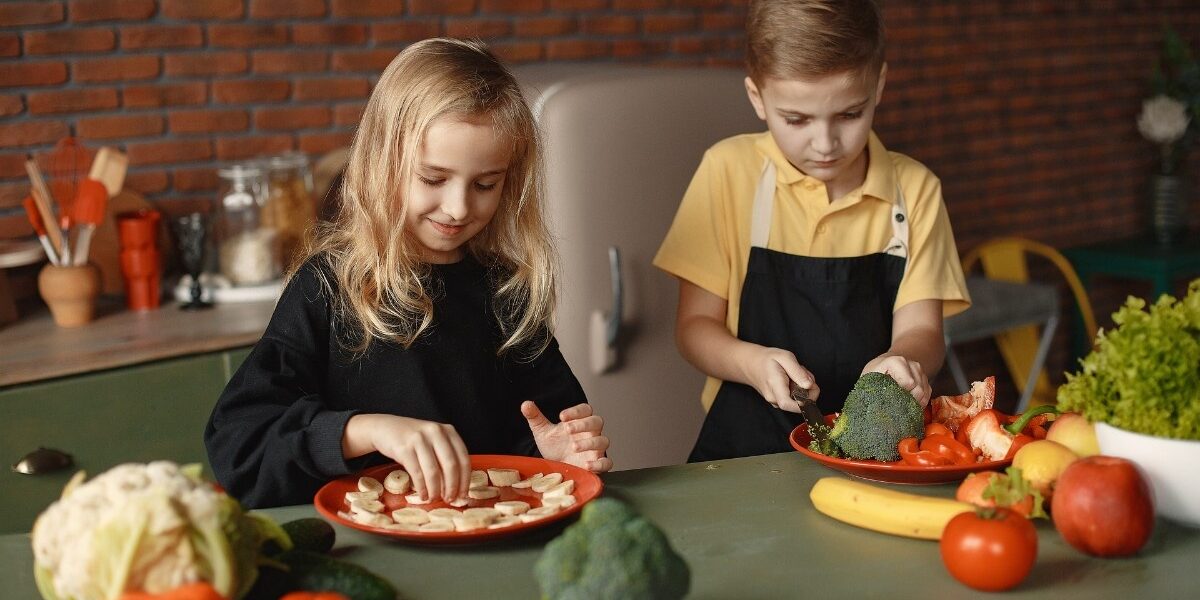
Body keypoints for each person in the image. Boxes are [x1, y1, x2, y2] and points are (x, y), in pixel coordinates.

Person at [206, 38, 612, 508]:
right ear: (383, 161)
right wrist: (363, 430)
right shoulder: (327, 287)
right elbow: (240, 448)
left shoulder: (506, 293)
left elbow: (543, 444)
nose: (458, 207)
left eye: (485, 184)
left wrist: (559, 455)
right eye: (433, 179)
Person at [653, 0, 970, 462]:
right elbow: (694, 327)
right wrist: (751, 363)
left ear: (879, 86)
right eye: (797, 120)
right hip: (744, 448)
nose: (825, 144)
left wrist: (902, 361)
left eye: (849, 114)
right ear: (757, 97)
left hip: (874, 455)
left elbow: (923, 330)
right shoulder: (728, 172)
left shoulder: (915, 190)